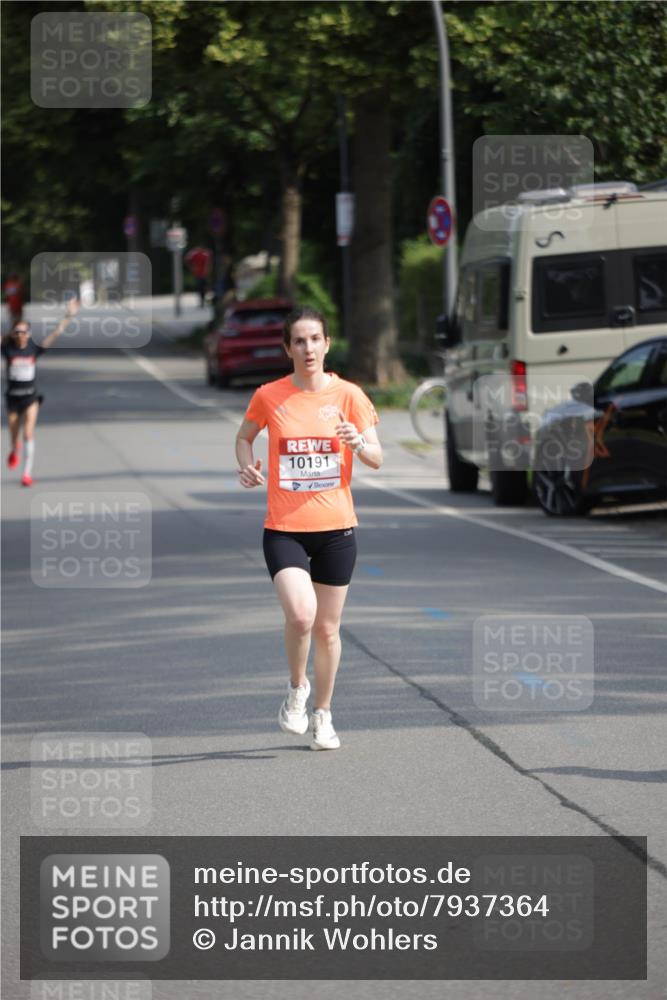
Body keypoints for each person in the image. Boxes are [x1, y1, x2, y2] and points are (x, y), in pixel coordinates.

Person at [235, 306, 383, 750]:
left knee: (327, 630)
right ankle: (297, 689)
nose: (308, 348)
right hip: (285, 529)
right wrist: (247, 467)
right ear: (287, 349)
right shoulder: (269, 395)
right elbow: (244, 437)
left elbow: (376, 455)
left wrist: (359, 443)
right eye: (298, 341)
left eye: (315, 339)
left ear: (327, 343)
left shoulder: (349, 396)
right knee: (301, 615)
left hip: (337, 529)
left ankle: (323, 714)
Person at [2, 298, 80, 486]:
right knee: (14, 436)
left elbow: (56, 333)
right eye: (17, 331)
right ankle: (14, 449)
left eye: (24, 331)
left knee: (28, 433)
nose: (21, 334)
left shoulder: (34, 349)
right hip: (13, 398)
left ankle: (27, 474)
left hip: (30, 397)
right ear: (13, 333)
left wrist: (69, 315)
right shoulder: (7, 349)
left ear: (29, 334)